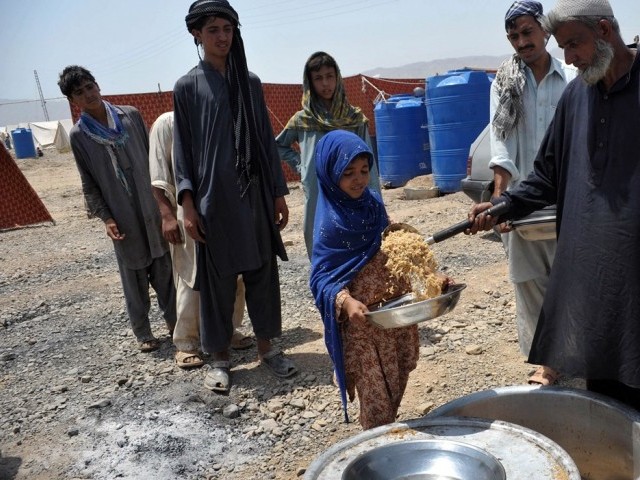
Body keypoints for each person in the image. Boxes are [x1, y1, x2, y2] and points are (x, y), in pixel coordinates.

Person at [468, 0, 640, 409]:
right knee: (605, 387)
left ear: (604, 30)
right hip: (593, 264)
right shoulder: (577, 96)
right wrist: (503, 205)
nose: (569, 58)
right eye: (563, 47)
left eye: (575, 45)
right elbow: (547, 175)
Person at [173, 0, 297, 393]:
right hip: (214, 199)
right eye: (213, 30)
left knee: (262, 273)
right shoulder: (187, 87)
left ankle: (268, 348)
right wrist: (188, 204)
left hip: (255, 195)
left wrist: (278, 192)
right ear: (197, 34)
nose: (222, 37)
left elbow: (264, 140)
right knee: (218, 281)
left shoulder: (251, 82)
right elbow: (183, 149)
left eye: (227, 29)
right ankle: (220, 358)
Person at [310, 129, 423, 429]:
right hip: (363, 327)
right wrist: (345, 302)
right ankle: (376, 451)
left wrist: (431, 277)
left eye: (363, 171)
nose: (359, 180)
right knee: (375, 401)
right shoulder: (330, 225)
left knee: (396, 380)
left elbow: (395, 248)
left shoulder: (373, 205)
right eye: (348, 173)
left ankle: (384, 436)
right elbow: (321, 278)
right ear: (330, 174)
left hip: (394, 316)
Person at [58, 65, 176, 352]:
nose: (88, 94)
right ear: (73, 101)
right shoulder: (79, 135)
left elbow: (155, 159)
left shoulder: (130, 116)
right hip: (121, 211)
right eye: (79, 92)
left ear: (98, 85)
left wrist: (165, 204)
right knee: (133, 272)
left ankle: (176, 324)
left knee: (165, 267)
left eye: (90, 86)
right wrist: (106, 217)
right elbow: (89, 181)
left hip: (151, 205)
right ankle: (144, 332)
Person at [489, 0, 577, 386]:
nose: (522, 42)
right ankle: (547, 363)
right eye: (514, 36)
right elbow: (499, 140)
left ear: (544, 30)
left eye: (527, 32)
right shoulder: (505, 82)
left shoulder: (573, 76)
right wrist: (500, 199)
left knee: (571, 279)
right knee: (528, 280)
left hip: (568, 198)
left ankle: (578, 352)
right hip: (524, 201)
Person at [148, 111, 253, 369]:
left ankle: (228, 331)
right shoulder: (168, 123)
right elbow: (159, 174)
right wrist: (167, 215)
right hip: (189, 211)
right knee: (190, 275)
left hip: (227, 209)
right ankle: (186, 342)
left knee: (233, 274)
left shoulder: (222, 116)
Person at [276, 51, 381, 259]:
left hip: (352, 193)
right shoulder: (303, 120)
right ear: (310, 82)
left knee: (356, 243)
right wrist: (301, 165)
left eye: (330, 76)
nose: (326, 83)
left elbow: (370, 164)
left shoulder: (354, 118)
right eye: (318, 78)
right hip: (317, 194)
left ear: (337, 77)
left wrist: (376, 200)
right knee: (320, 245)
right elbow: (278, 146)